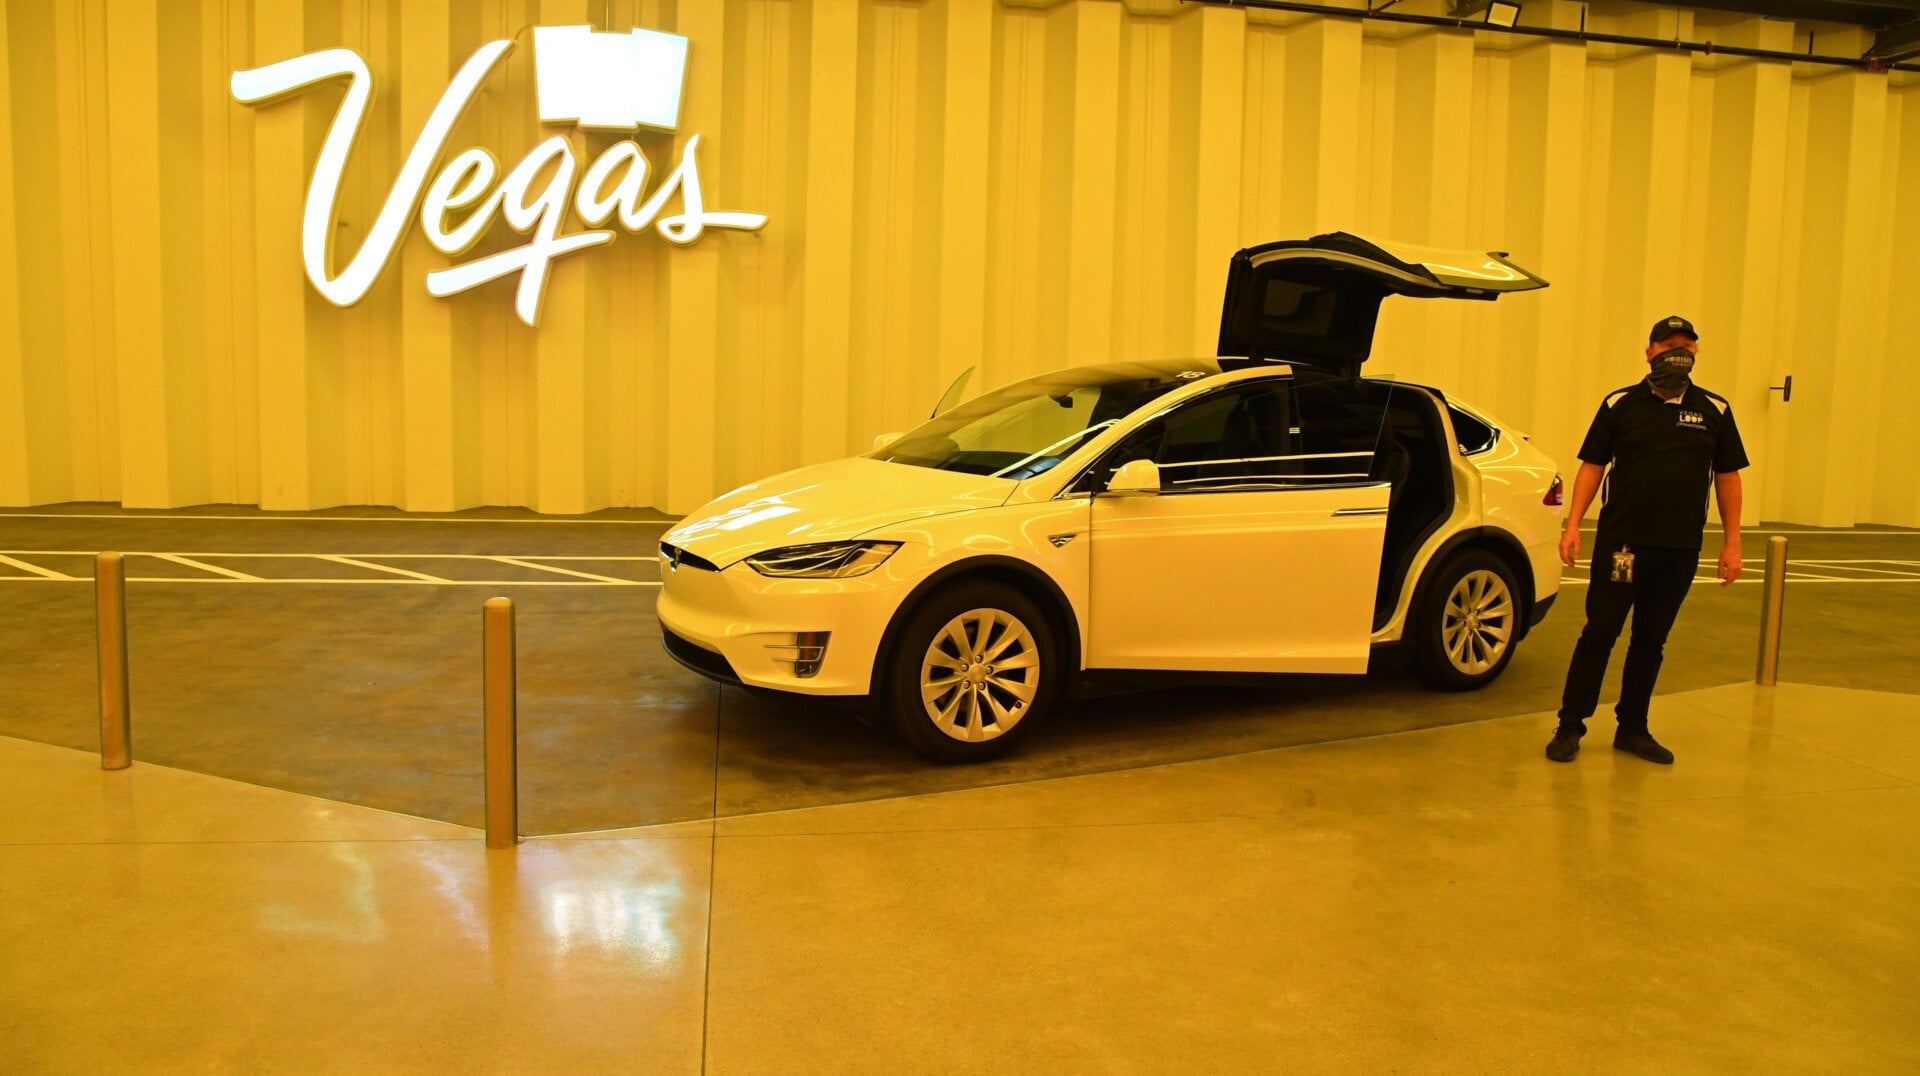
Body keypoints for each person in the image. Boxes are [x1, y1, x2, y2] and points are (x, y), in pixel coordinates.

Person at [1546, 315, 1749, 764]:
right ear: (1650, 352)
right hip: (1623, 546)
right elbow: (1592, 466)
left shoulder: (1714, 409)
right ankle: (1570, 726)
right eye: (1668, 344)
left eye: (1686, 346)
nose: (1677, 352)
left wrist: (1732, 542)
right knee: (1600, 632)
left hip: (1679, 548)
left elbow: (1728, 477)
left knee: (1650, 640)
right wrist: (1573, 524)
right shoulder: (1620, 404)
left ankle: (1633, 728)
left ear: (1696, 353)